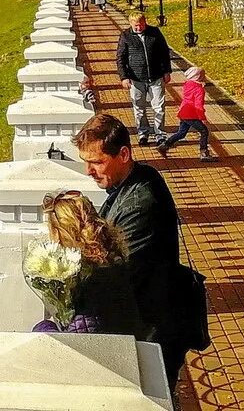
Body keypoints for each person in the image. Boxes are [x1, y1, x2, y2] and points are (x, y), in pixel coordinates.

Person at [74, 113, 189, 390]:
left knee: (153, 397)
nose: (89, 172)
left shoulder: (139, 202)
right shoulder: (137, 177)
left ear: (124, 154)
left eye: (97, 162)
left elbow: (115, 269)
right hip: (149, 320)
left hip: (150, 328)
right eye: (86, 162)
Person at [32, 191, 146, 336]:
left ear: (60, 233)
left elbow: (83, 336)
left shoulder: (87, 278)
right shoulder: (113, 259)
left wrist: (44, 329)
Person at [116, 12, 172, 145]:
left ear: (145, 22)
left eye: (141, 25)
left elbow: (164, 52)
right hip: (136, 78)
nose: (139, 28)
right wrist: (124, 77)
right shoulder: (126, 36)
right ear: (130, 24)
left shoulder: (154, 33)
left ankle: (160, 134)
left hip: (156, 76)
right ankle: (143, 133)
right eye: (136, 26)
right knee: (139, 107)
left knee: (159, 107)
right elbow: (120, 58)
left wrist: (167, 71)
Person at [158, 66, 214, 160]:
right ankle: (204, 152)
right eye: (203, 75)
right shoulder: (199, 89)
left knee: (181, 133)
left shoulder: (188, 84)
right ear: (198, 77)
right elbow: (198, 105)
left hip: (184, 112)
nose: (205, 77)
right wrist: (203, 118)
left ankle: (164, 146)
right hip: (192, 115)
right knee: (204, 131)